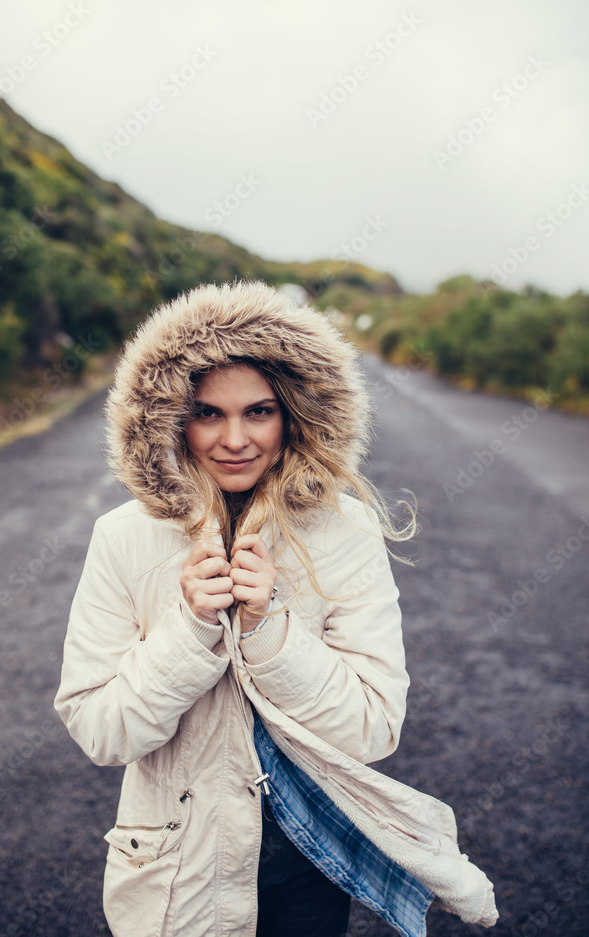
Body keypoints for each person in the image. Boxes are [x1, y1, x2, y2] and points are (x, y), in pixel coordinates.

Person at [54, 279, 498, 937]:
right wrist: (192, 632)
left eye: (257, 411)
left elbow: (373, 728)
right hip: (175, 871)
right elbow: (101, 731)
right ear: (171, 417)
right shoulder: (123, 537)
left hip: (306, 865)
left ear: (292, 414)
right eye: (208, 413)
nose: (234, 438)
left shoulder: (343, 531)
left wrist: (268, 631)